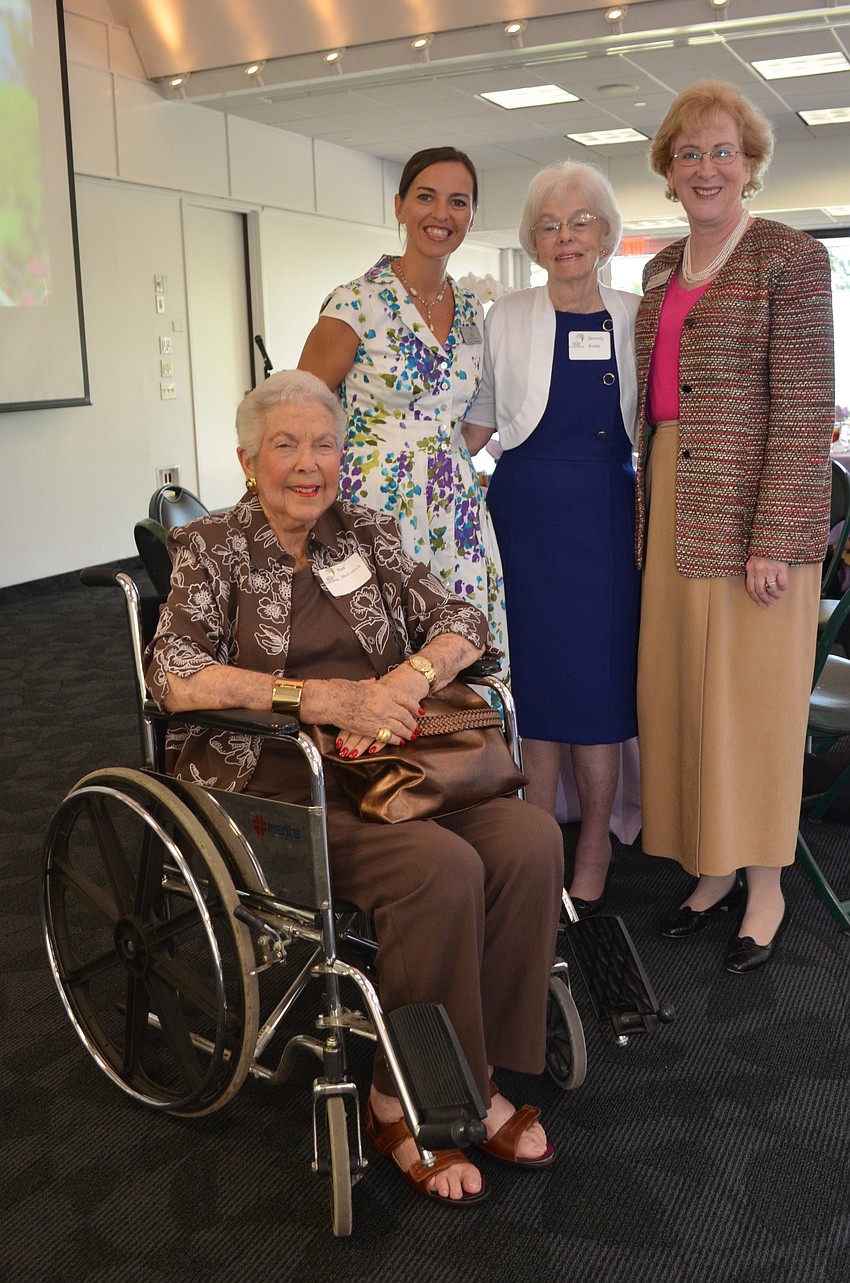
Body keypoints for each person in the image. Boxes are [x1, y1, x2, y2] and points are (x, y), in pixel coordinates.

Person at [144, 369, 563, 1204]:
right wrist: (321, 699)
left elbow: (464, 621)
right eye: (285, 445)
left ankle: (475, 1071)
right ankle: (399, 1099)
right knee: (439, 869)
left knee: (529, 838)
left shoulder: (365, 533)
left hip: (391, 766)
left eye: (325, 444)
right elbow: (176, 674)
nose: (308, 464)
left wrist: (406, 679)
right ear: (248, 461)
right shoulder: (212, 547)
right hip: (275, 782)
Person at [634, 80, 834, 972]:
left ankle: (765, 886)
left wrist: (775, 536)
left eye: (722, 151)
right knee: (682, 696)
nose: (705, 167)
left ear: (750, 165)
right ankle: (710, 866)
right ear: (669, 171)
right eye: (689, 153)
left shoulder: (790, 257)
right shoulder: (656, 270)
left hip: (757, 515)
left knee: (752, 707)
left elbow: (804, 407)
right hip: (672, 503)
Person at [463, 162, 640, 914]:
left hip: (604, 523)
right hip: (524, 522)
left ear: (605, 233)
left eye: (580, 221)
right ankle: (538, 845)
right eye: (548, 225)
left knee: (595, 695)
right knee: (532, 688)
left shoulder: (637, 316)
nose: (565, 237)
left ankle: (595, 841)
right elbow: (476, 419)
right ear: (533, 242)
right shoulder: (504, 316)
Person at [298, 146, 508, 669]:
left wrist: (444, 459)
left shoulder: (471, 311)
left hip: (455, 506)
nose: (441, 214)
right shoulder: (356, 303)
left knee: (458, 655)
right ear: (399, 206)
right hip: (372, 503)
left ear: (472, 214)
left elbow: (475, 417)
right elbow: (301, 412)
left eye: (458, 202)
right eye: (426, 197)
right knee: (378, 654)